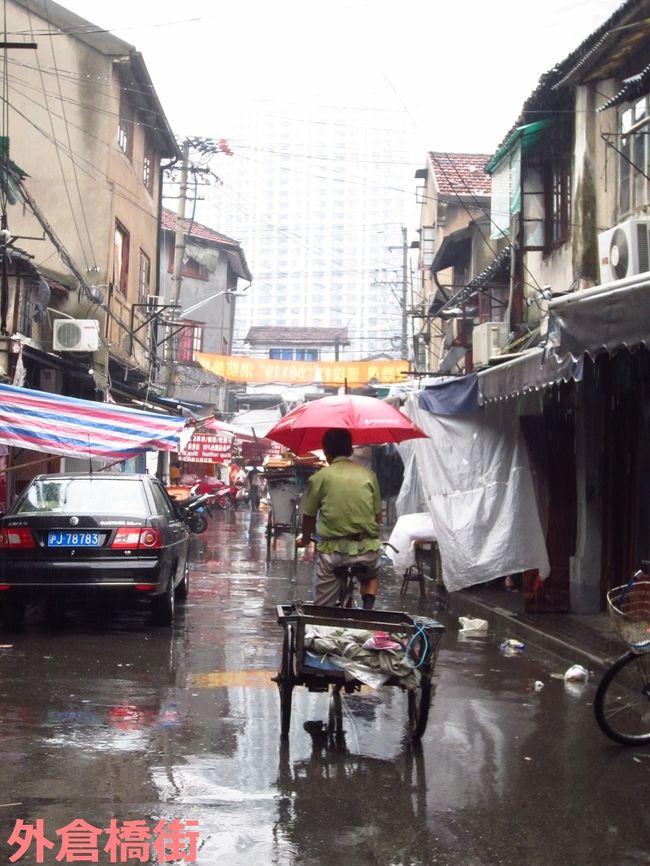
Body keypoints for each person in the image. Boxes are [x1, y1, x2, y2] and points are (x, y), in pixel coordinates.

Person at [296, 428, 382, 610]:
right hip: (367, 550)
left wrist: (305, 539)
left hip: (334, 554)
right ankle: (367, 609)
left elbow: (309, 516)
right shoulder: (369, 475)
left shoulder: (320, 478)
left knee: (322, 610)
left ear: (326, 452)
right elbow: (377, 516)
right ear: (350, 450)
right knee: (371, 574)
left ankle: (323, 620)